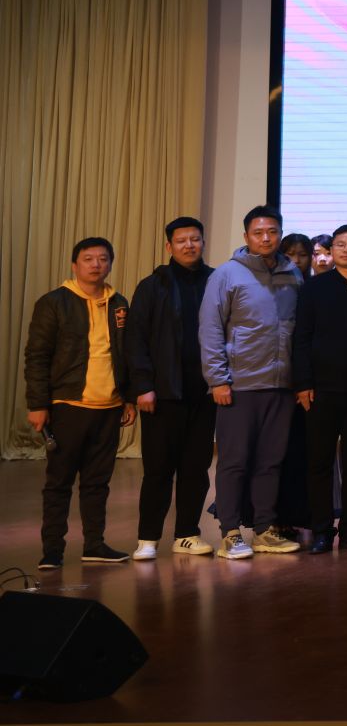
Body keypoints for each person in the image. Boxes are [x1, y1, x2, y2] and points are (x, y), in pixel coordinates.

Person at [200, 206, 304, 560]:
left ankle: (263, 530)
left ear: (280, 234)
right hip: (239, 385)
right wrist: (218, 379)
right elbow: (210, 329)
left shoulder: (292, 274)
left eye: (272, 232)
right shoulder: (227, 274)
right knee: (234, 462)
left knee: (270, 462)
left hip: (281, 386)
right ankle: (230, 532)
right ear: (246, 236)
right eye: (258, 232)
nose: (266, 238)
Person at [25, 237, 135, 569]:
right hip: (68, 405)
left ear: (110, 264)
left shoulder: (119, 303)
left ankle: (95, 544)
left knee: (97, 483)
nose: (96, 264)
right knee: (59, 482)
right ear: (75, 265)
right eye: (88, 259)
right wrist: (38, 404)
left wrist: (128, 398)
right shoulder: (54, 302)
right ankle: (52, 551)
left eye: (103, 259)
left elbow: (127, 355)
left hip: (110, 407)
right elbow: (37, 357)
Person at [126, 216, 216, 560]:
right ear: (169, 246)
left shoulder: (216, 281)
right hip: (162, 395)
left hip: (204, 393)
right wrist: (143, 386)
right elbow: (136, 339)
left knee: (196, 470)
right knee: (158, 470)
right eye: (181, 240)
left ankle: (187, 534)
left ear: (203, 242)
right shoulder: (153, 285)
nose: (189, 245)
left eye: (195, 239)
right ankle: (147, 538)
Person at [293, 223, 347, 553]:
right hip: (321, 390)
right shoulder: (314, 288)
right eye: (340, 244)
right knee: (319, 462)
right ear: (332, 249)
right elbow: (301, 338)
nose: (346, 250)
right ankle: (322, 530)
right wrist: (303, 383)